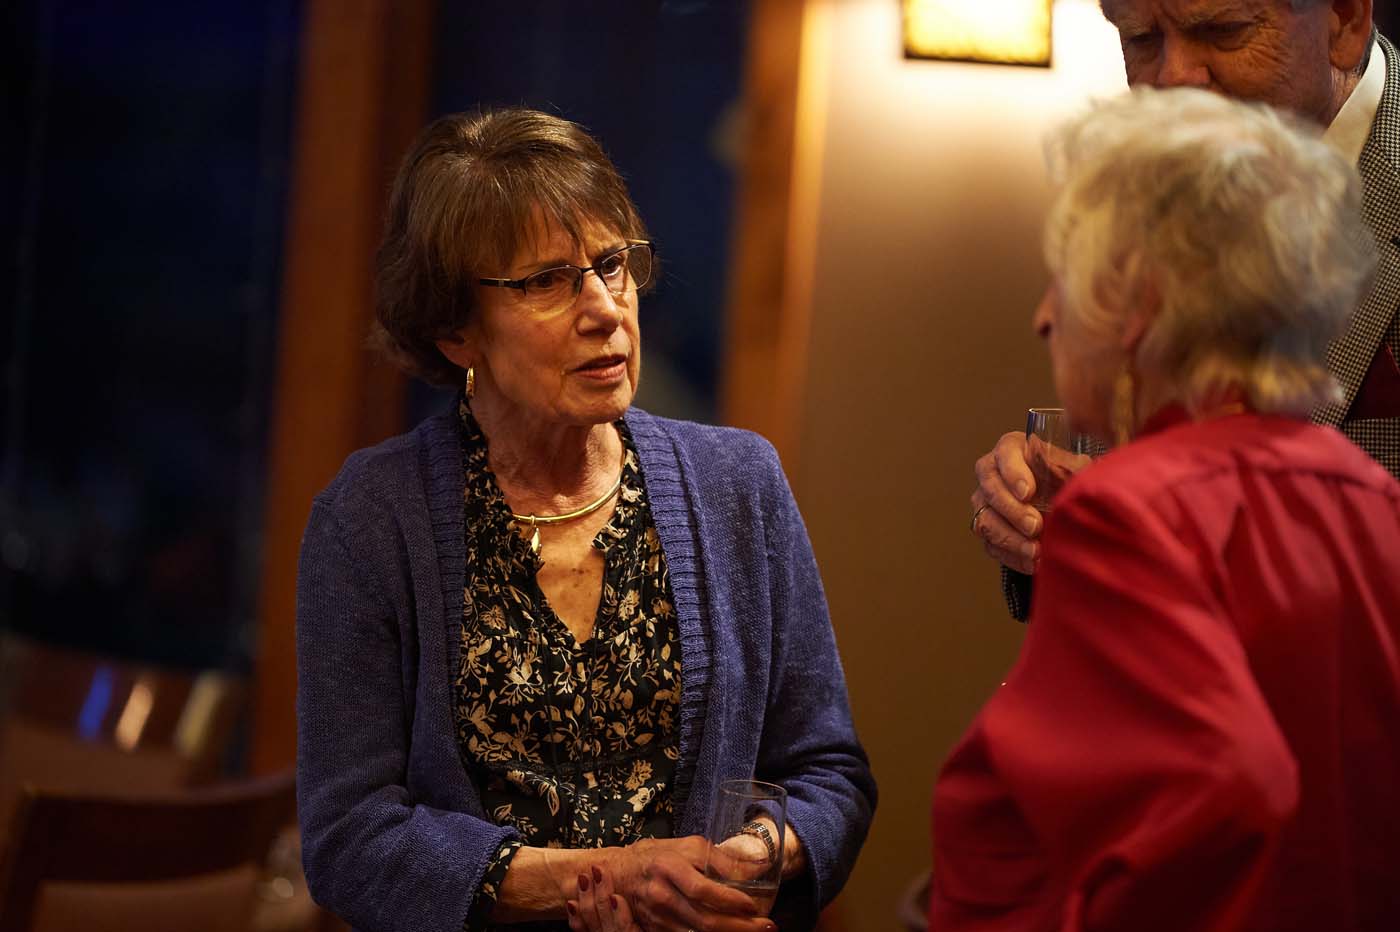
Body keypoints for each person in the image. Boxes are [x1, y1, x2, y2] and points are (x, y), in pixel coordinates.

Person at [295, 108, 875, 932]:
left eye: (612, 265)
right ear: (456, 329)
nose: (605, 309)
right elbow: (349, 840)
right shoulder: (370, 519)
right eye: (546, 281)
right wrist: (599, 878)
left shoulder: (740, 483)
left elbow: (828, 774)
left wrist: (748, 860)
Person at [931, 86, 1400, 930]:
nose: (1043, 317)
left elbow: (1229, 787)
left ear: (1139, 306)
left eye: (1062, 277)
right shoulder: (1371, 496)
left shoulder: (1125, 510)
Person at [969, 0, 1397, 618]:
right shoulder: (1163, 180)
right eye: (1141, 40)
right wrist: (1061, 524)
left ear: (1345, 18)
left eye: (1223, 31)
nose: (1174, 79)